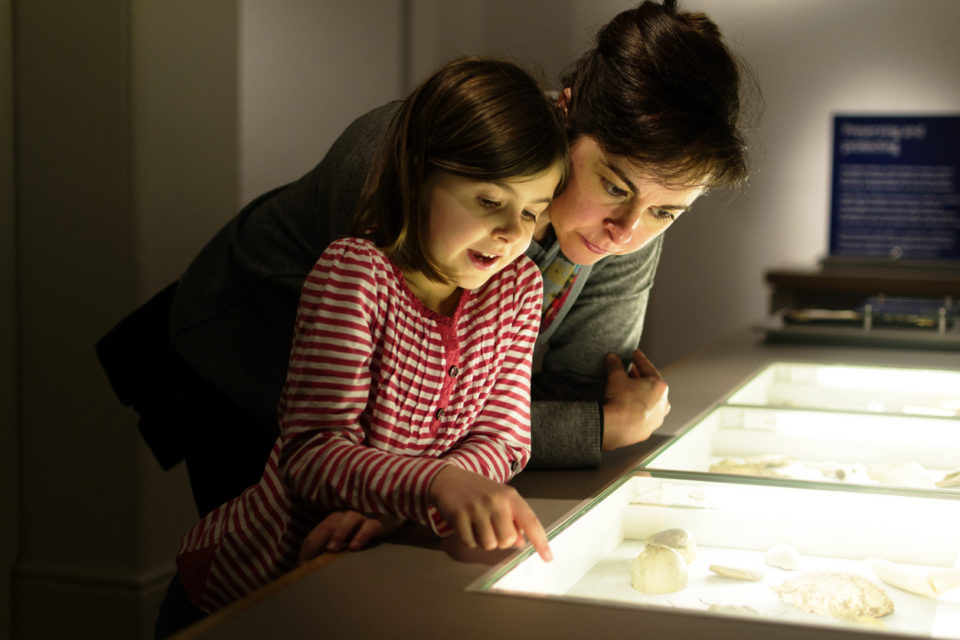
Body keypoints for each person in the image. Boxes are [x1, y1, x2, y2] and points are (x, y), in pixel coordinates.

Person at [153, 56, 568, 636]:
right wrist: (436, 485)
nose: (512, 234)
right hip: (255, 581)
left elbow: (505, 436)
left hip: (370, 570)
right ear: (418, 173)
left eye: (531, 212)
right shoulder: (355, 275)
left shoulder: (518, 290)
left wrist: (426, 497)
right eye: (488, 201)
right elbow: (313, 453)